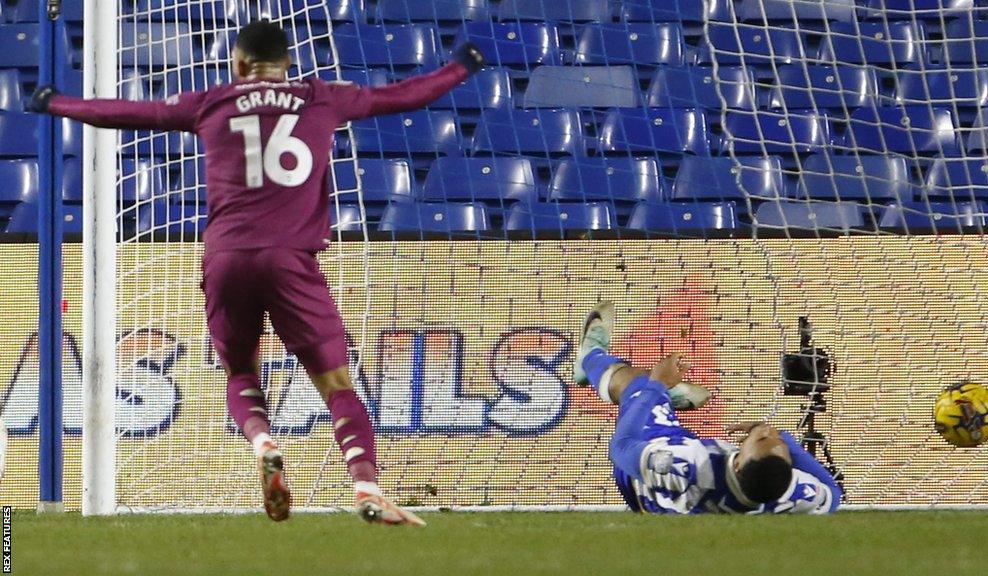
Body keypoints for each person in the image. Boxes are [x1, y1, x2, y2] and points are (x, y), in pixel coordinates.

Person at [32, 19, 486, 525]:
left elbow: (133, 113)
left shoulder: (212, 101)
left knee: (241, 371)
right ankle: (365, 485)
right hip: (292, 260)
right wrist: (460, 67)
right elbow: (406, 95)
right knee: (337, 386)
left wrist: (57, 102)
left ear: (240, 63)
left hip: (227, 259)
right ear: (287, 63)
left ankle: (263, 441)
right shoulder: (322, 98)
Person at [573, 302, 842, 514]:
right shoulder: (789, 495)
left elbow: (621, 447)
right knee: (652, 394)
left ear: (739, 465)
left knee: (639, 384)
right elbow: (832, 493)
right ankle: (665, 397)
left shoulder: (683, 466)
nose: (769, 431)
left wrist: (656, 386)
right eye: (779, 445)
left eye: (762, 438)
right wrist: (783, 439)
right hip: (694, 463)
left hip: (641, 480)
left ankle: (590, 360)